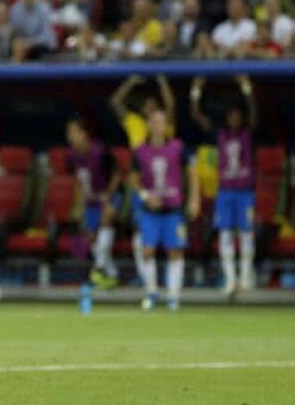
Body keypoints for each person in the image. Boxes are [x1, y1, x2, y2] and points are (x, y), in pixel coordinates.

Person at [190, 75, 257, 296]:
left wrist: (246, 89)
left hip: (245, 191)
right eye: (231, 116)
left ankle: (246, 277)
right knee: (226, 233)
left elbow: (255, 114)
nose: (235, 119)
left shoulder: (248, 134)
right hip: (226, 191)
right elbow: (197, 116)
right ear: (227, 118)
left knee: (247, 233)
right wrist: (196, 92)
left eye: (238, 115)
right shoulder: (220, 135)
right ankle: (230, 279)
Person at [132, 108, 200, 311]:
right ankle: (151, 292)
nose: (158, 126)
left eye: (162, 122)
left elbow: (192, 172)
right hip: (150, 211)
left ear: (167, 126)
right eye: (154, 121)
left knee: (175, 251)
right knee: (147, 250)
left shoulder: (178, 148)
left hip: (173, 208)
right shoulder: (141, 151)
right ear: (149, 125)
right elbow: (134, 179)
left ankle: (173, 296)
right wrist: (145, 196)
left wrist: (194, 199)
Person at [110, 74, 175, 285]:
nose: (150, 110)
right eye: (146, 106)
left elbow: (171, 106)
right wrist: (129, 82)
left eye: (154, 107)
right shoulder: (135, 123)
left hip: (164, 186)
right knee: (139, 229)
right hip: (140, 184)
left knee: (168, 238)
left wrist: (162, 80)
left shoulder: (164, 127)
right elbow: (115, 103)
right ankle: (145, 277)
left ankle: (165, 280)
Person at [64, 118, 122, 289]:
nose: (70, 137)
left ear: (84, 134)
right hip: (91, 200)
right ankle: (110, 273)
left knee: (106, 218)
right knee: (92, 238)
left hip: (110, 195)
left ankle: (98, 268)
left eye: (73, 132)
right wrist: (80, 204)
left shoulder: (100, 151)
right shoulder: (71, 156)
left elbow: (117, 173)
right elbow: (78, 181)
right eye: (69, 133)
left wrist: (108, 195)